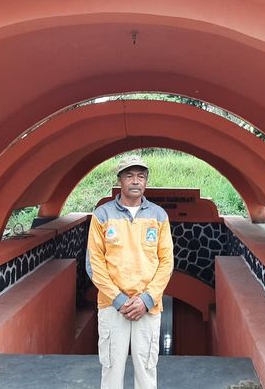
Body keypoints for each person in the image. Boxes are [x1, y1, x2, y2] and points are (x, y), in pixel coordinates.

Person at [86, 155, 174, 389]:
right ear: (120, 180)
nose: (135, 181)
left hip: (149, 306)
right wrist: (119, 300)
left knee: (146, 370)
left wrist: (146, 299)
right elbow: (94, 263)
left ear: (146, 182)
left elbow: (166, 262)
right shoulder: (102, 215)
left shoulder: (158, 216)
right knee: (112, 370)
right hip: (112, 306)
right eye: (129, 175)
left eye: (141, 176)